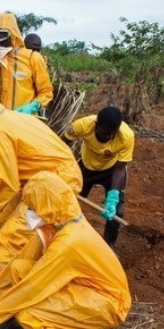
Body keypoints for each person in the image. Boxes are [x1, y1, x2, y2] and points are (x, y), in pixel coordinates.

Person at [0, 171, 131, 329]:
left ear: (47, 205)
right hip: (84, 288)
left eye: (32, 207)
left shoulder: (69, 243)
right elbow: (21, 262)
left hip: (106, 303)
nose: (28, 212)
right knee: (19, 268)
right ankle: (46, 326)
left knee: (28, 315)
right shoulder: (56, 225)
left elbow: (33, 287)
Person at [0, 90, 82, 279]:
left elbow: (7, 185)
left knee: (10, 240)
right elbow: (16, 168)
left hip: (53, 187)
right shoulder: (13, 117)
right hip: (41, 179)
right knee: (3, 223)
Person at [0, 13, 54, 260]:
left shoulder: (32, 59)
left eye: (4, 40)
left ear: (14, 37)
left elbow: (46, 92)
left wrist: (31, 107)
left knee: (22, 188)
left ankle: (12, 248)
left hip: (25, 131)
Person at [61, 106, 134, 248]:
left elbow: (120, 168)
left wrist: (113, 197)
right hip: (86, 167)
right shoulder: (82, 125)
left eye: (112, 134)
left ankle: (108, 247)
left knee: (117, 212)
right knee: (70, 203)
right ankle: (64, 239)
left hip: (112, 170)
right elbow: (61, 144)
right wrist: (63, 167)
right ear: (96, 125)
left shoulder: (127, 136)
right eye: (105, 133)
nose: (108, 137)